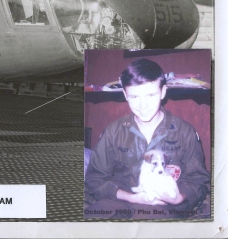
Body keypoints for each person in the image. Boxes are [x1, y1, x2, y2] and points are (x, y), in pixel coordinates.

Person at [84, 58, 210, 219]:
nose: (143, 105)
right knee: (92, 219)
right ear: (125, 95)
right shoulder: (113, 131)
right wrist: (130, 197)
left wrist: (180, 197)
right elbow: (95, 178)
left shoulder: (185, 132)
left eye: (150, 95)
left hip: (163, 206)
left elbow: (198, 179)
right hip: (121, 199)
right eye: (135, 97)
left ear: (163, 91)